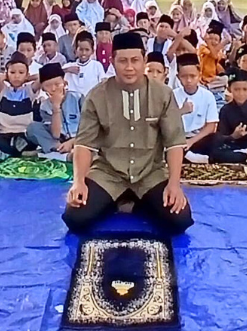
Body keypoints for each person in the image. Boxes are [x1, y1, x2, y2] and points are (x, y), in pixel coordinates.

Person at [63, 32, 192, 235]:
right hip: (108, 173)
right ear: (113, 62)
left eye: (135, 60)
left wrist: (174, 185)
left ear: (144, 61)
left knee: (179, 220)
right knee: (75, 218)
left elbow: (174, 143)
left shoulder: (163, 94)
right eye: (123, 61)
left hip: (151, 172)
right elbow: (84, 144)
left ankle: (135, 203)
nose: (129, 67)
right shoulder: (97, 96)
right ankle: (118, 200)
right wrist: (78, 182)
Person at [26, 62, 82, 157]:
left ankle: (54, 153)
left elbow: (88, 127)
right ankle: (60, 151)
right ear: (43, 89)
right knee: (33, 128)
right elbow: (55, 134)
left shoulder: (78, 98)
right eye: (48, 86)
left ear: (64, 83)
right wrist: (56, 107)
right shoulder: (44, 106)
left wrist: (72, 142)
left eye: (57, 84)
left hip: (80, 138)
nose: (53, 89)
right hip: (58, 141)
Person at [172, 53, 220, 163]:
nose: (188, 80)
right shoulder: (172, 95)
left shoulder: (208, 96)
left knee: (217, 139)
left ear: (199, 75)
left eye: (192, 76)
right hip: (178, 138)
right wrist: (181, 111)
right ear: (178, 77)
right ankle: (191, 156)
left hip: (199, 138)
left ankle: (190, 156)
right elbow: (166, 122)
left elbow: (211, 126)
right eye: (184, 76)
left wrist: (192, 141)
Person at [64, 31, 107, 98]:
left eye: (87, 50)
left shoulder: (96, 66)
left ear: (92, 51)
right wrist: (66, 70)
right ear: (75, 50)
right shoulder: (68, 66)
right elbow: (52, 75)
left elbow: (103, 83)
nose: (84, 53)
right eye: (81, 49)